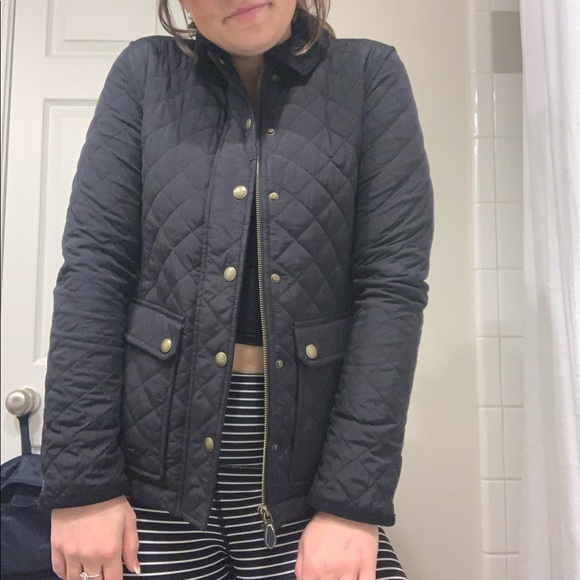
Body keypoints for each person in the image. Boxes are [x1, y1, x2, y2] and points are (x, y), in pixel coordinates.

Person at [38, 0, 434, 578]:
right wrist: (83, 485)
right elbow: (94, 271)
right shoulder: (144, 74)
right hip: (148, 470)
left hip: (306, 476)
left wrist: (350, 505)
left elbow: (390, 289)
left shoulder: (368, 76)